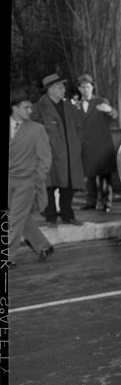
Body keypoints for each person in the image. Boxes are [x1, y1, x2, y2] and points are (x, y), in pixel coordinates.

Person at [8, 91, 55, 266]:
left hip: (26, 182)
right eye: (26, 107)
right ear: (15, 108)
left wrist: (37, 180)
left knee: (13, 220)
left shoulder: (37, 129)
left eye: (30, 107)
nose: (30, 110)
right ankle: (43, 246)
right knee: (20, 217)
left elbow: (45, 159)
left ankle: (7, 257)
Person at [33, 72, 85, 226]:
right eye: (60, 87)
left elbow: (79, 127)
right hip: (49, 153)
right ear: (51, 89)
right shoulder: (38, 107)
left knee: (68, 185)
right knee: (50, 185)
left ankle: (68, 215)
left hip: (70, 152)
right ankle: (51, 218)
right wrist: (48, 141)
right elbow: (34, 129)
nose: (63, 90)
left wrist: (77, 143)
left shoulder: (69, 106)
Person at [76, 74, 119, 211]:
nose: (86, 89)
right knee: (89, 176)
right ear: (79, 89)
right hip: (86, 146)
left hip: (101, 146)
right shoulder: (76, 105)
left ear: (92, 87)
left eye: (88, 87)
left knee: (105, 176)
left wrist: (109, 110)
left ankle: (107, 203)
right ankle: (91, 202)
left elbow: (114, 116)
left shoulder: (101, 101)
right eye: (83, 87)